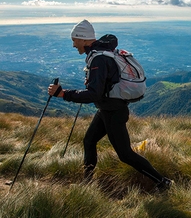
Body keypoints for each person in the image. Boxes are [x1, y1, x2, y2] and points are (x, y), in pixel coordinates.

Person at [48, 19, 172, 191]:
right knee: (89, 140)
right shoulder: (101, 54)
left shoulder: (98, 59)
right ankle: (87, 182)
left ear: (83, 39)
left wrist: (63, 94)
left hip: (113, 112)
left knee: (125, 154)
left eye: (74, 40)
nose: (73, 44)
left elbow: (94, 94)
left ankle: (163, 182)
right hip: (108, 109)